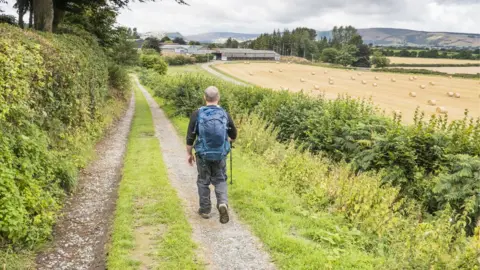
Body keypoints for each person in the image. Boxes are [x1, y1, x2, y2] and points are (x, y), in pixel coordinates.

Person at [186, 86, 237, 224]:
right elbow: (233, 135)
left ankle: (205, 210)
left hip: (202, 155)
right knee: (220, 179)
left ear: (204, 98)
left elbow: (190, 137)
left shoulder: (197, 114)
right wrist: (226, 142)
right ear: (218, 98)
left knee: (203, 181)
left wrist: (189, 153)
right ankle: (222, 203)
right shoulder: (224, 114)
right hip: (220, 154)